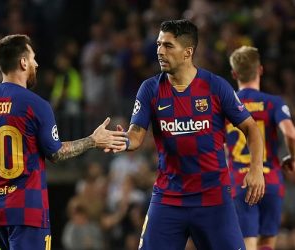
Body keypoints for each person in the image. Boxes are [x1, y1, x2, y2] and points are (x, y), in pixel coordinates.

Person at [0, 34, 127, 250]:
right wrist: (93, 140)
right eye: (33, 58)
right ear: (23, 62)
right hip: (27, 212)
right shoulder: (36, 105)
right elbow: (56, 153)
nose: (36, 63)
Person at [108, 19, 265, 250]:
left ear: (187, 52)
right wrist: (120, 141)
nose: (160, 51)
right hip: (169, 198)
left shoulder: (215, 86)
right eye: (159, 44)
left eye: (168, 46)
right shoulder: (150, 89)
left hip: (213, 198)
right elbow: (136, 136)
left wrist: (256, 169)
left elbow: (251, 128)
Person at [226, 45, 295, 250]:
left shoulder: (227, 105)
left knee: (248, 243)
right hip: (270, 180)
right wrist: (292, 157)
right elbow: (290, 132)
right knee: (267, 243)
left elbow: (217, 146)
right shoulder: (273, 102)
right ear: (260, 70)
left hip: (240, 181)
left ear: (234, 74)